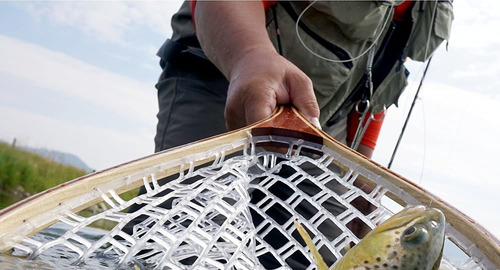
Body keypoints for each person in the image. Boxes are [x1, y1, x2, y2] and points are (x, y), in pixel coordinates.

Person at [154, 1, 453, 158]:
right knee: (188, 235)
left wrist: (362, 171)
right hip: (224, 77)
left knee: (315, 259)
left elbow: (381, 76)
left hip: (321, 124)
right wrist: (249, 55)